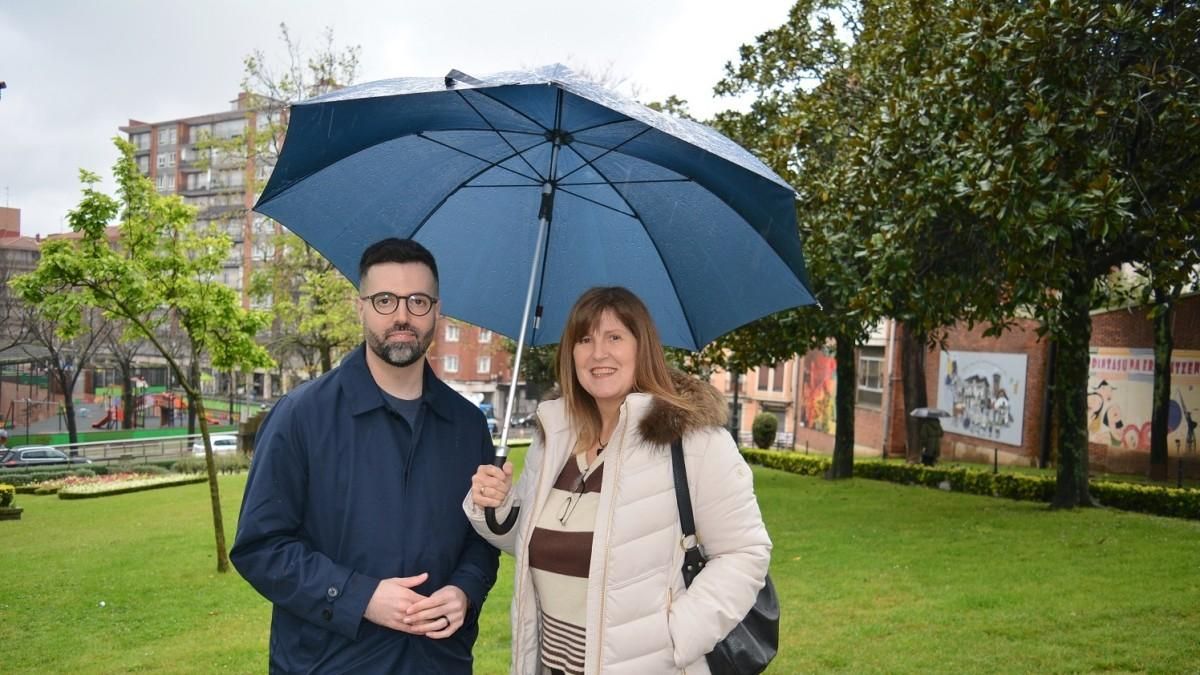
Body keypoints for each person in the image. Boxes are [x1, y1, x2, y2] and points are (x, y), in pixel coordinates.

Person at [466, 286, 771, 674]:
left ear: (642, 348)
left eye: (615, 337)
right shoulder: (555, 439)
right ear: (570, 353)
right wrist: (494, 506)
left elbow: (746, 553)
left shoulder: (696, 443)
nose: (599, 353)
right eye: (585, 339)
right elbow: (531, 539)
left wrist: (678, 637)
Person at [231, 238, 500, 674]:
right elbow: (261, 547)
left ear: (436, 310)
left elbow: (480, 539)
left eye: (417, 301)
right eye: (384, 300)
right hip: (330, 662)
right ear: (361, 308)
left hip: (437, 662)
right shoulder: (301, 416)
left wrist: (464, 591)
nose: (401, 316)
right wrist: (359, 597)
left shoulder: (467, 425)